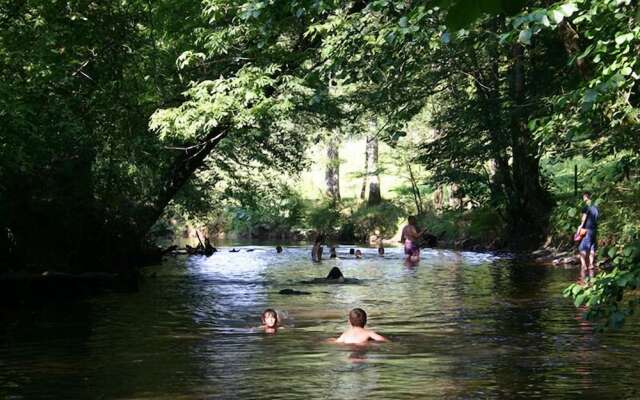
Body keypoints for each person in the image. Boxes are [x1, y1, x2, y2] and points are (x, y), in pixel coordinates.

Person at [577, 191, 599, 282]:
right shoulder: (596, 208)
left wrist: (580, 227)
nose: (583, 198)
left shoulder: (586, 207)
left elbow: (583, 218)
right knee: (592, 248)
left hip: (586, 230)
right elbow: (597, 218)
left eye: (583, 197)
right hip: (594, 230)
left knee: (582, 248)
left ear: (586, 197)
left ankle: (584, 266)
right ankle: (591, 265)